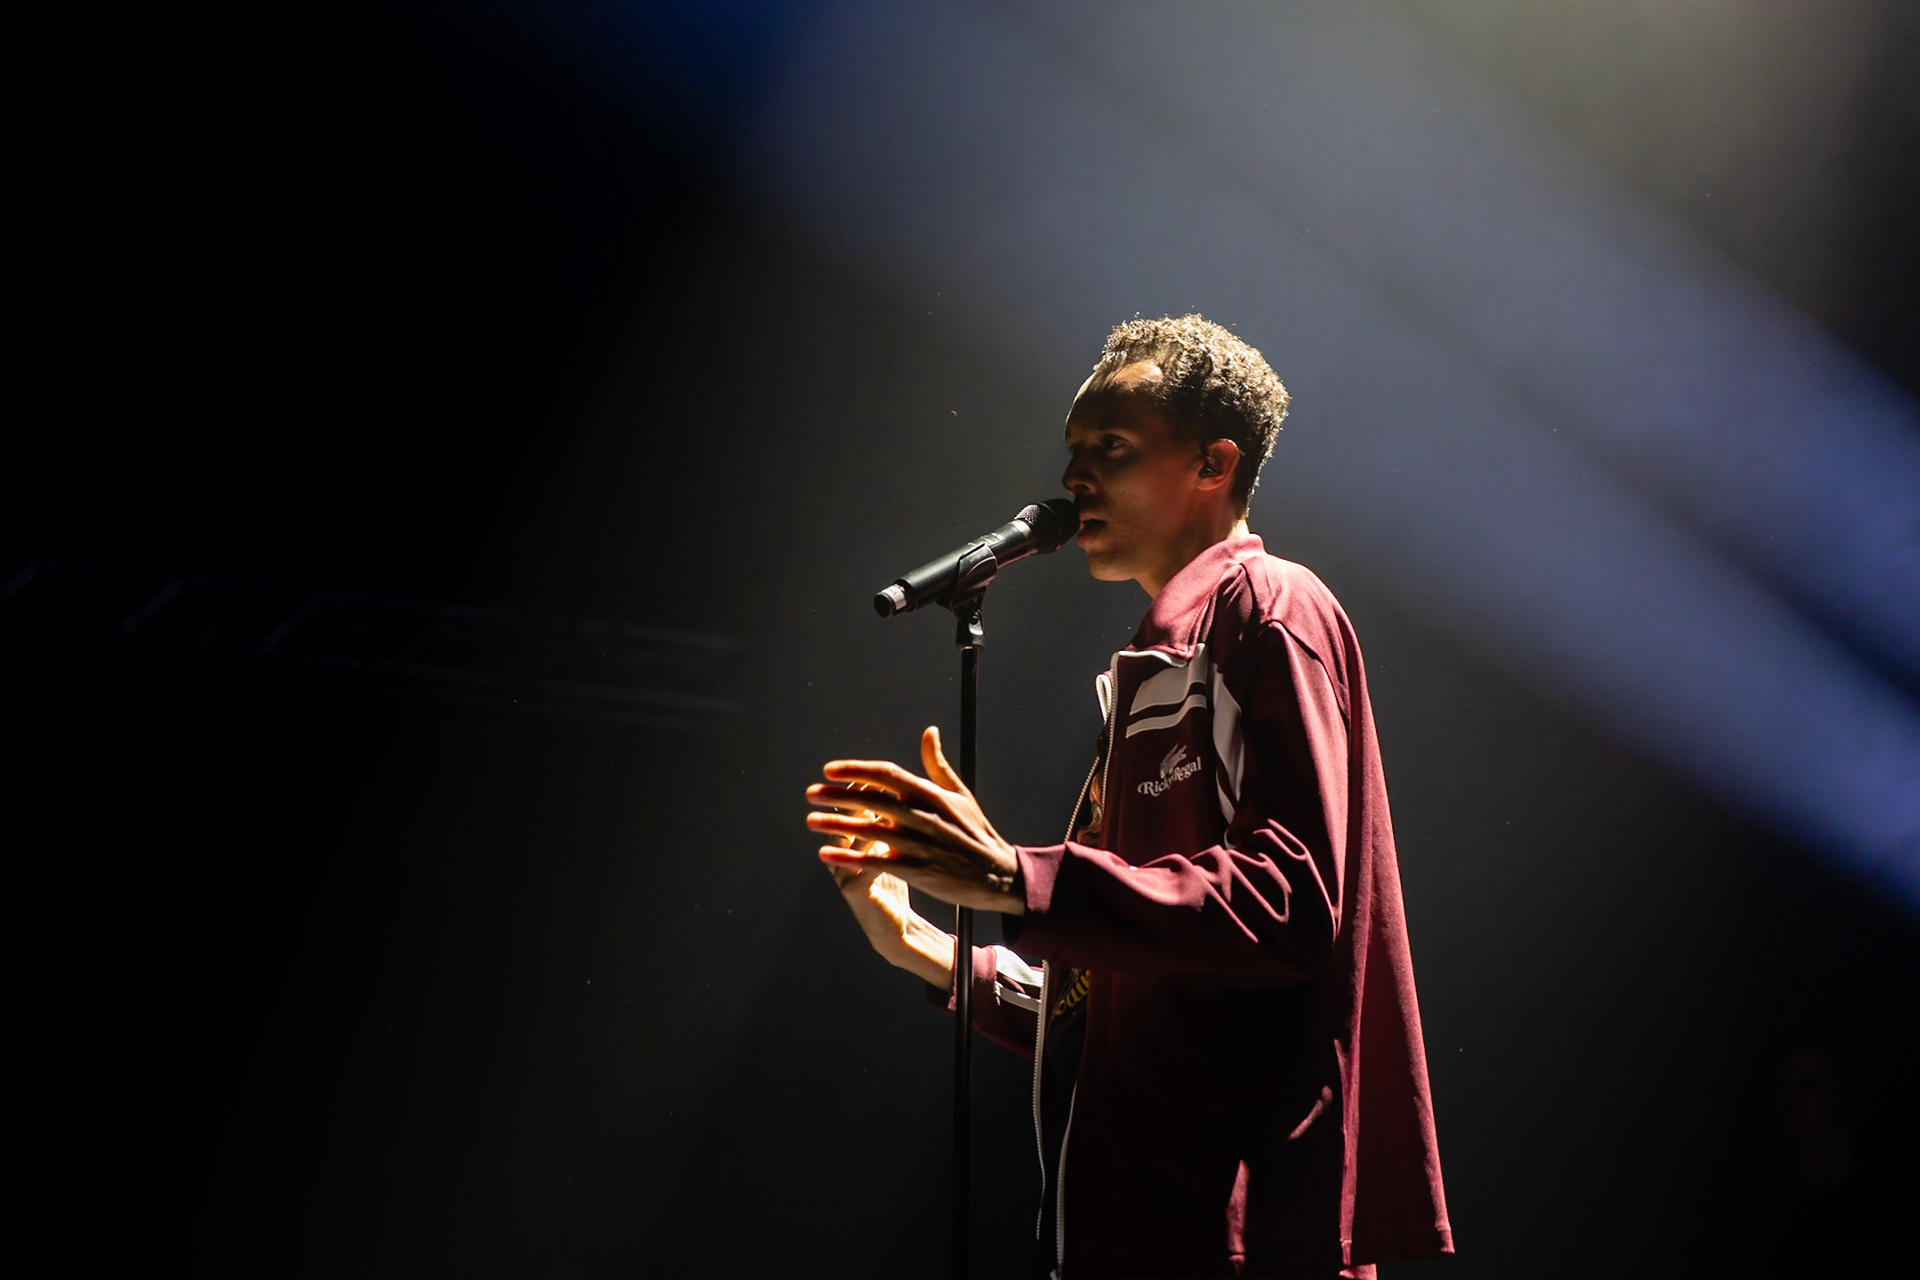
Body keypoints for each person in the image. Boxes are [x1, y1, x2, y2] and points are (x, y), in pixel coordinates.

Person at [806, 316, 1453, 1279]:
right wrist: (928, 948)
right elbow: (1126, 1009)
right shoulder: (1155, 669)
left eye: (1111, 448)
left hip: (1235, 1238)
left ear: (1213, 462)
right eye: (1073, 451)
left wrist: (1018, 879)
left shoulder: (1272, 608)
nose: (1074, 480)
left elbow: (1290, 901)